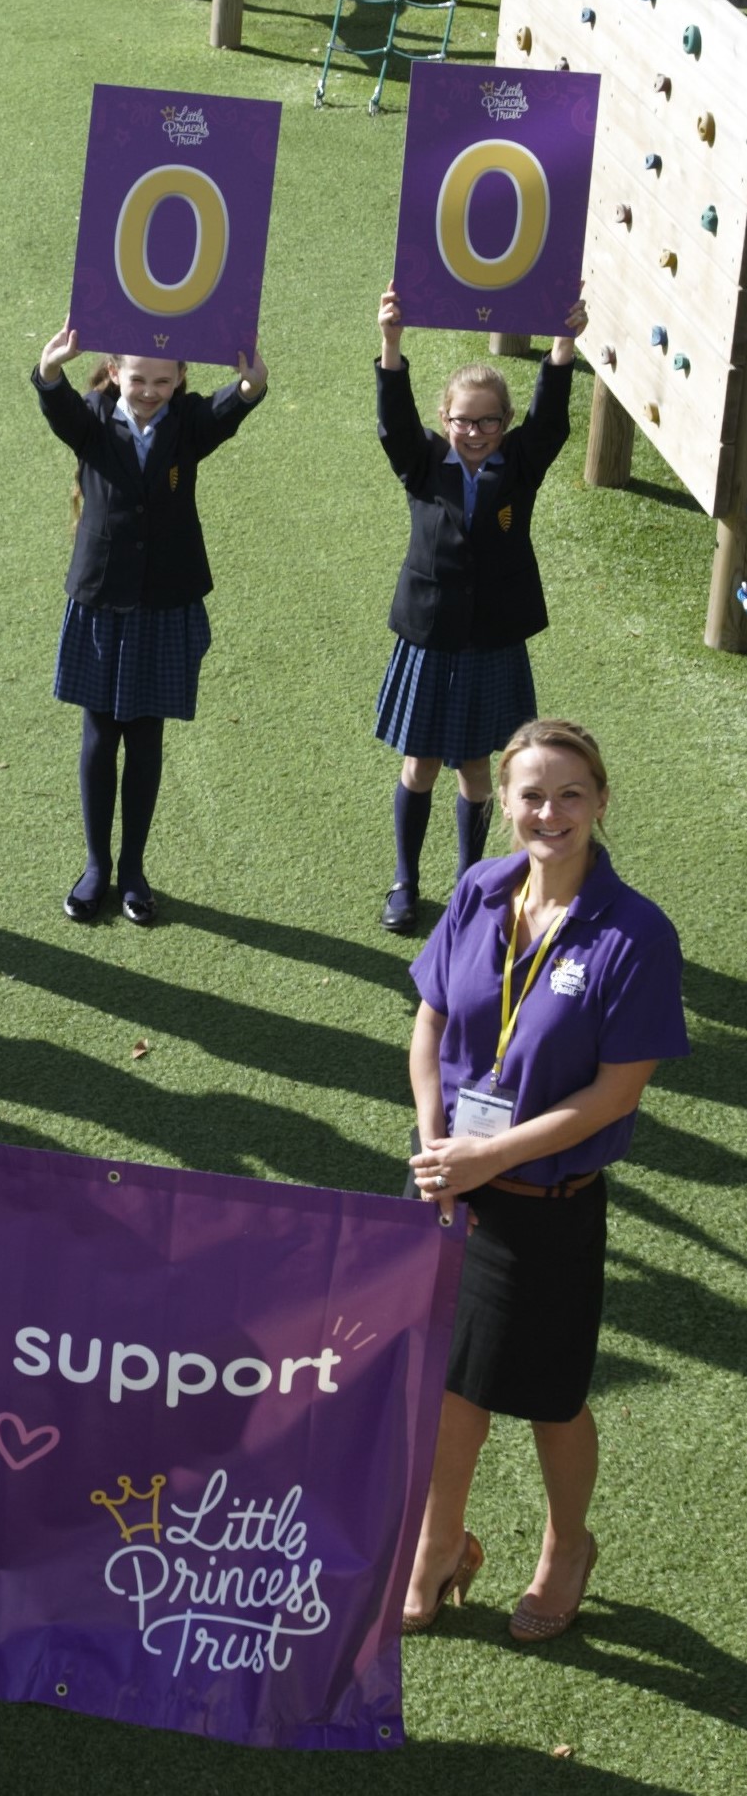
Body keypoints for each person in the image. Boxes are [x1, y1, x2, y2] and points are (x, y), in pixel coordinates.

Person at [400, 719, 686, 1644]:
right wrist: (438, 1144)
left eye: (569, 793)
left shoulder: (634, 933)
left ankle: (567, 1544)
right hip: (456, 1185)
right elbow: (429, 1024)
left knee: (549, 1400)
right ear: (506, 803)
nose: (547, 812)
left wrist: (491, 1155)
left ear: (601, 802)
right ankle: (438, 1544)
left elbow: (615, 1093)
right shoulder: (481, 889)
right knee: (447, 1387)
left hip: (549, 1208)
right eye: (530, 794)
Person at [33, 323, 267, 924]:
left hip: (165, 601)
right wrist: (51, 368)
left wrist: (251, 381)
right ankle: (95, 867)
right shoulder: (91, 416)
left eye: (164, 380)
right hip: (102, 600)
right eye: (138, 378)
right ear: (114, 373)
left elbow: (235, 403)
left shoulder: (188, 421)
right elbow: (55, 404)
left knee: (145, 737)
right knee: (98, 734)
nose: (150, 390)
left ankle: (132, 869)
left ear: (182, 377)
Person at [373, 285, 586, 933]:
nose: (474, 432)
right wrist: (389, 343)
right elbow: (392, 422)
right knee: (420, 764)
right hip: (430, 637)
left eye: (488, 421)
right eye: (463, 420)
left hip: (490, 639)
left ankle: (471, 887)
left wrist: (562, 342)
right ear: (444, 419)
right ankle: (405, 883)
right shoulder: (422, 464)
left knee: (473, 768)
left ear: (503, 423)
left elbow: (549, 423)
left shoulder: (518, 465)